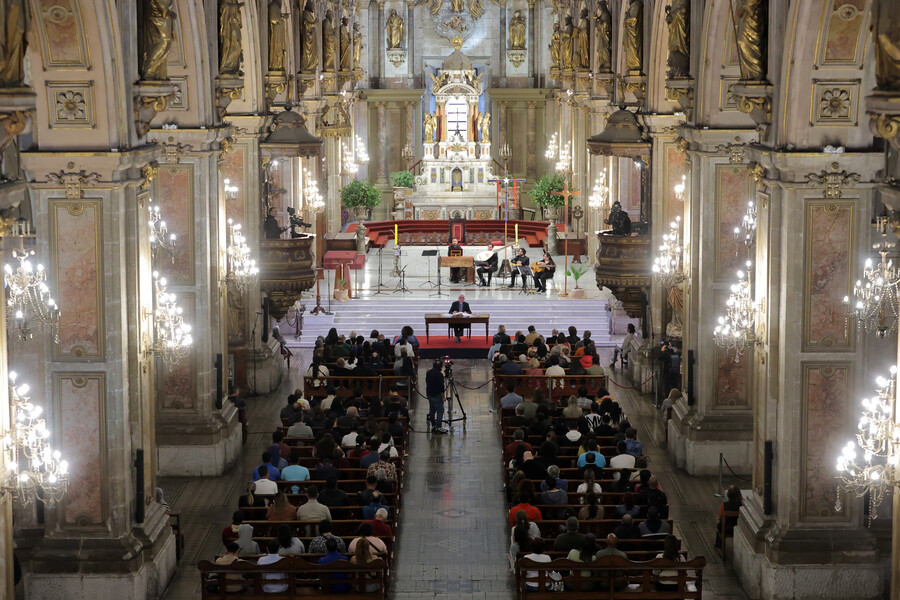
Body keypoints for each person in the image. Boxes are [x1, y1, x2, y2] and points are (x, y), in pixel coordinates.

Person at [426, 359, 447, 433]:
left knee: (432, 410)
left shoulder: (428, 372)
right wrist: (443, 397)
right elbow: (441, 387)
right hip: (437, 395)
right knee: (440, 410)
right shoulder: (439, 375)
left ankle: (433, 426)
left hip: (429, 394)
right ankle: (439, 427)